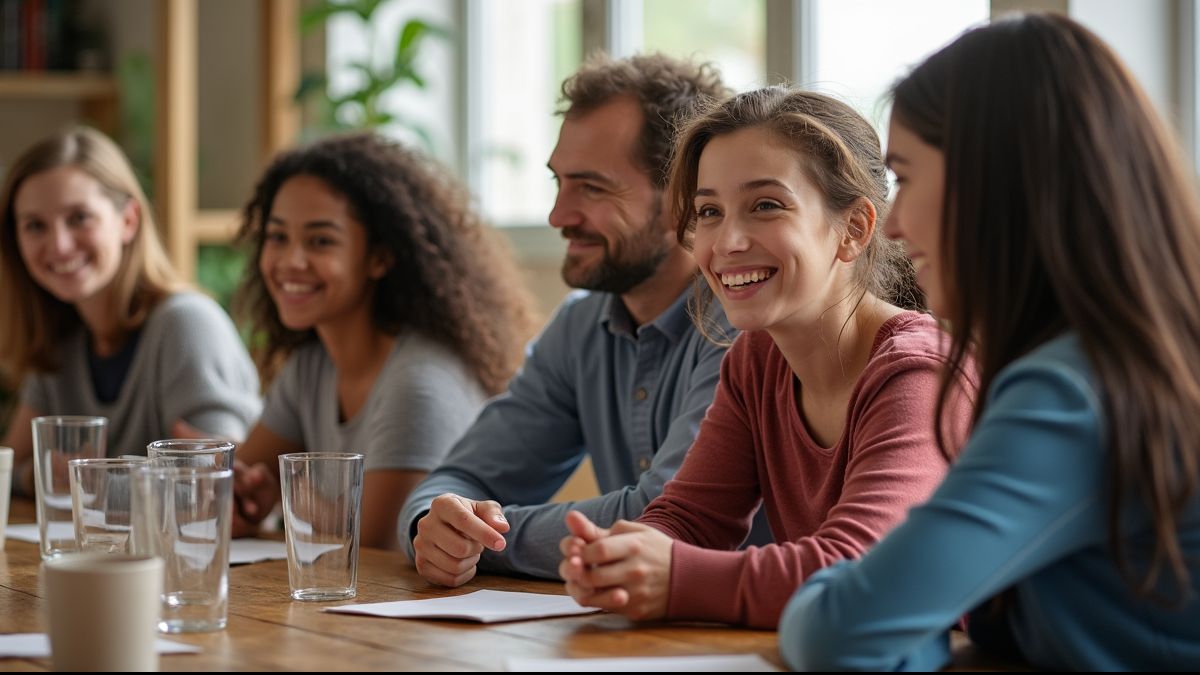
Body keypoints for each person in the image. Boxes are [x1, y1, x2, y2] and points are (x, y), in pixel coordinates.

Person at [781, 13, 1200, 671]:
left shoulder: (1070, 391)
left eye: (908, 178)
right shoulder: (1134, 359)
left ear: (997, 180)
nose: (893, 225)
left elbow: (836, 633)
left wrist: (888, 611)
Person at [557, 87, 974, 628]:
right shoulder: (756, 360)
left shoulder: (918, 371)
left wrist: (675, 577)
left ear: (854, 229)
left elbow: (858, 569)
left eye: (766, 206)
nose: (727, 240)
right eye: (709, 211)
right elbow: (691, 518)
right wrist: (619, 558)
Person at [399, 52, 737, 586]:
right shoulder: (581, 326)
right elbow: (456, 480)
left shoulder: (741, 323)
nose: (559, 215)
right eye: (559, 182)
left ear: (683, 199)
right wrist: (436, 525)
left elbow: (664, 519)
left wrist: (486, 539)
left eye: (592, 188)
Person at [231, 132, 536, 550]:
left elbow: (372, 553)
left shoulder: (419, 385)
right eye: (278, 236)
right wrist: (242, 496)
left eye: (321, 241)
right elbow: (239, 489)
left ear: (379, 257)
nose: (290, 261)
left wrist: (284, 499)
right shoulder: (311, 366)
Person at [0, 127, 260, 493]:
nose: (58, 246)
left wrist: (80, 480)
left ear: (128, 220)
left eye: (79, 218)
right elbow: (6, 468)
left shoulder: (187, 323)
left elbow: (214, 490)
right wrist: (38, 476)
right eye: (35, 226)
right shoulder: (60, 340)